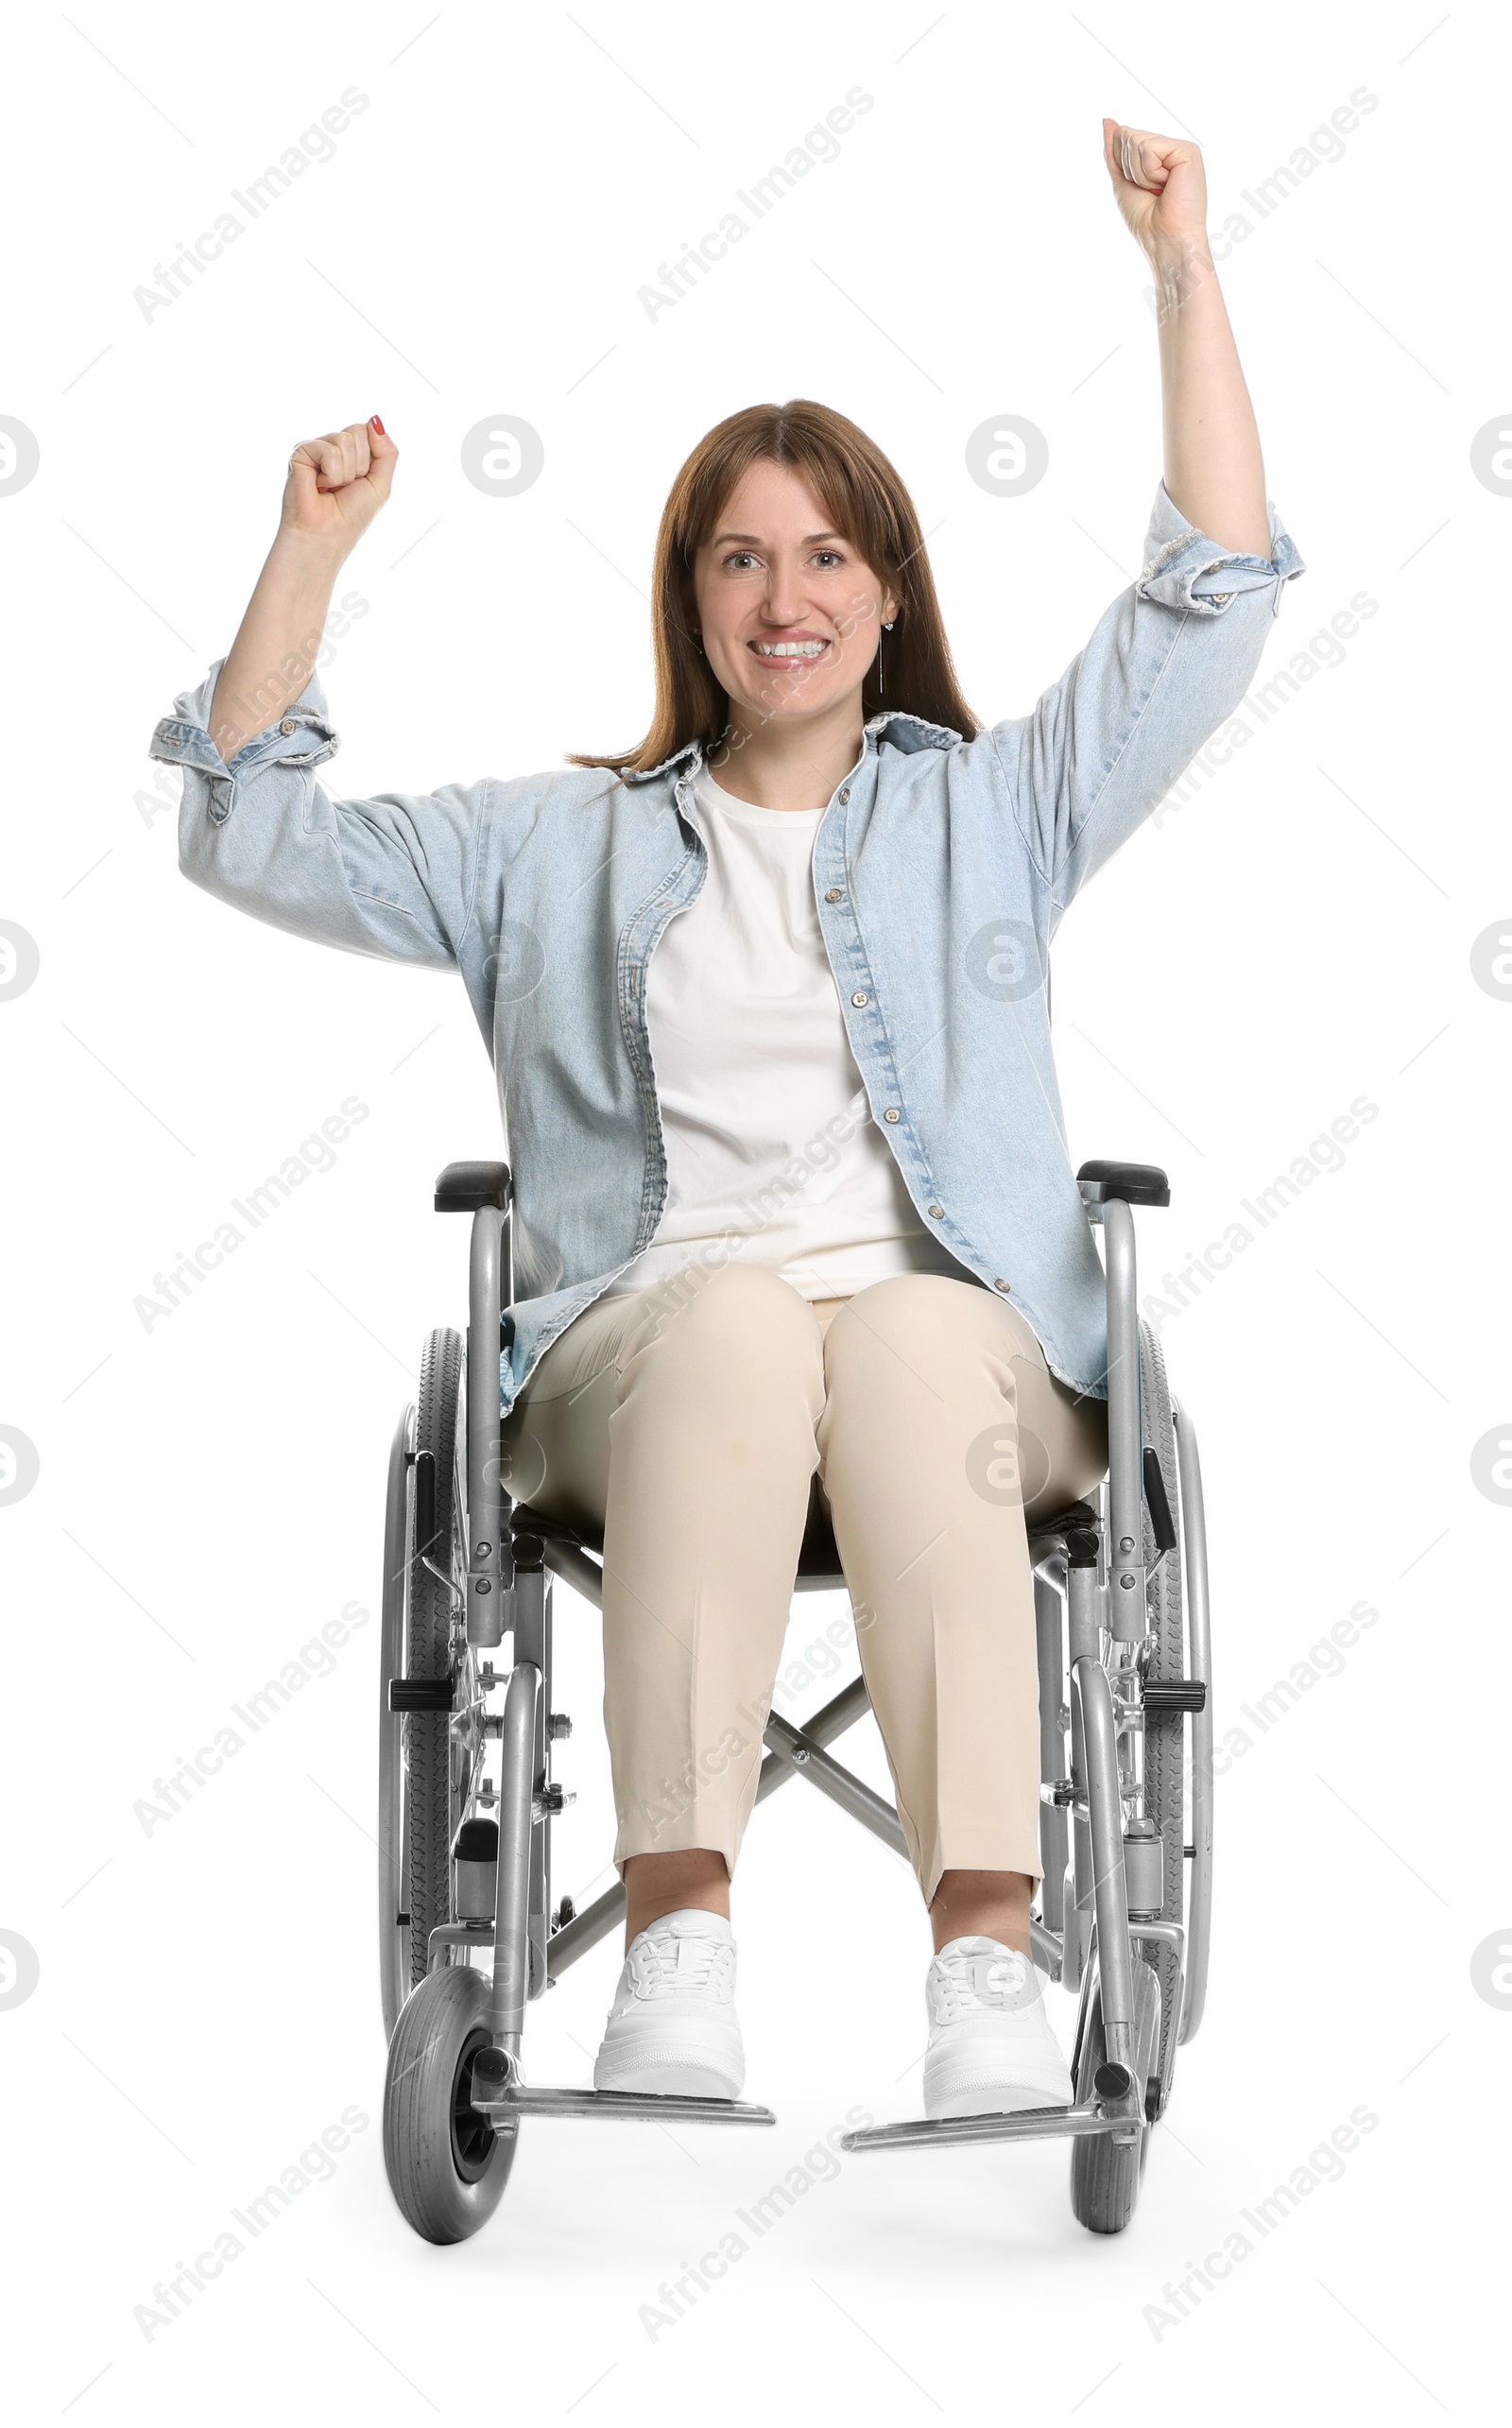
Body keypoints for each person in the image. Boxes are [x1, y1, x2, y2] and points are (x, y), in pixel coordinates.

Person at [149, 120, 1302, 2121]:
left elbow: (1207, 605)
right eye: (741, 551)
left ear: (884, 593)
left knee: (922, 1326)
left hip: (949, 1388)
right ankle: (676, 1942)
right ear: (687, 593)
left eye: (829, 551)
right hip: (643, 1369)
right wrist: (310, 554)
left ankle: (983, 1977)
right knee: (747, 1322)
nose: (788, 594)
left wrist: (1179, 270)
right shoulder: (550, 847)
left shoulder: (987, 817)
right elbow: (244, 832)